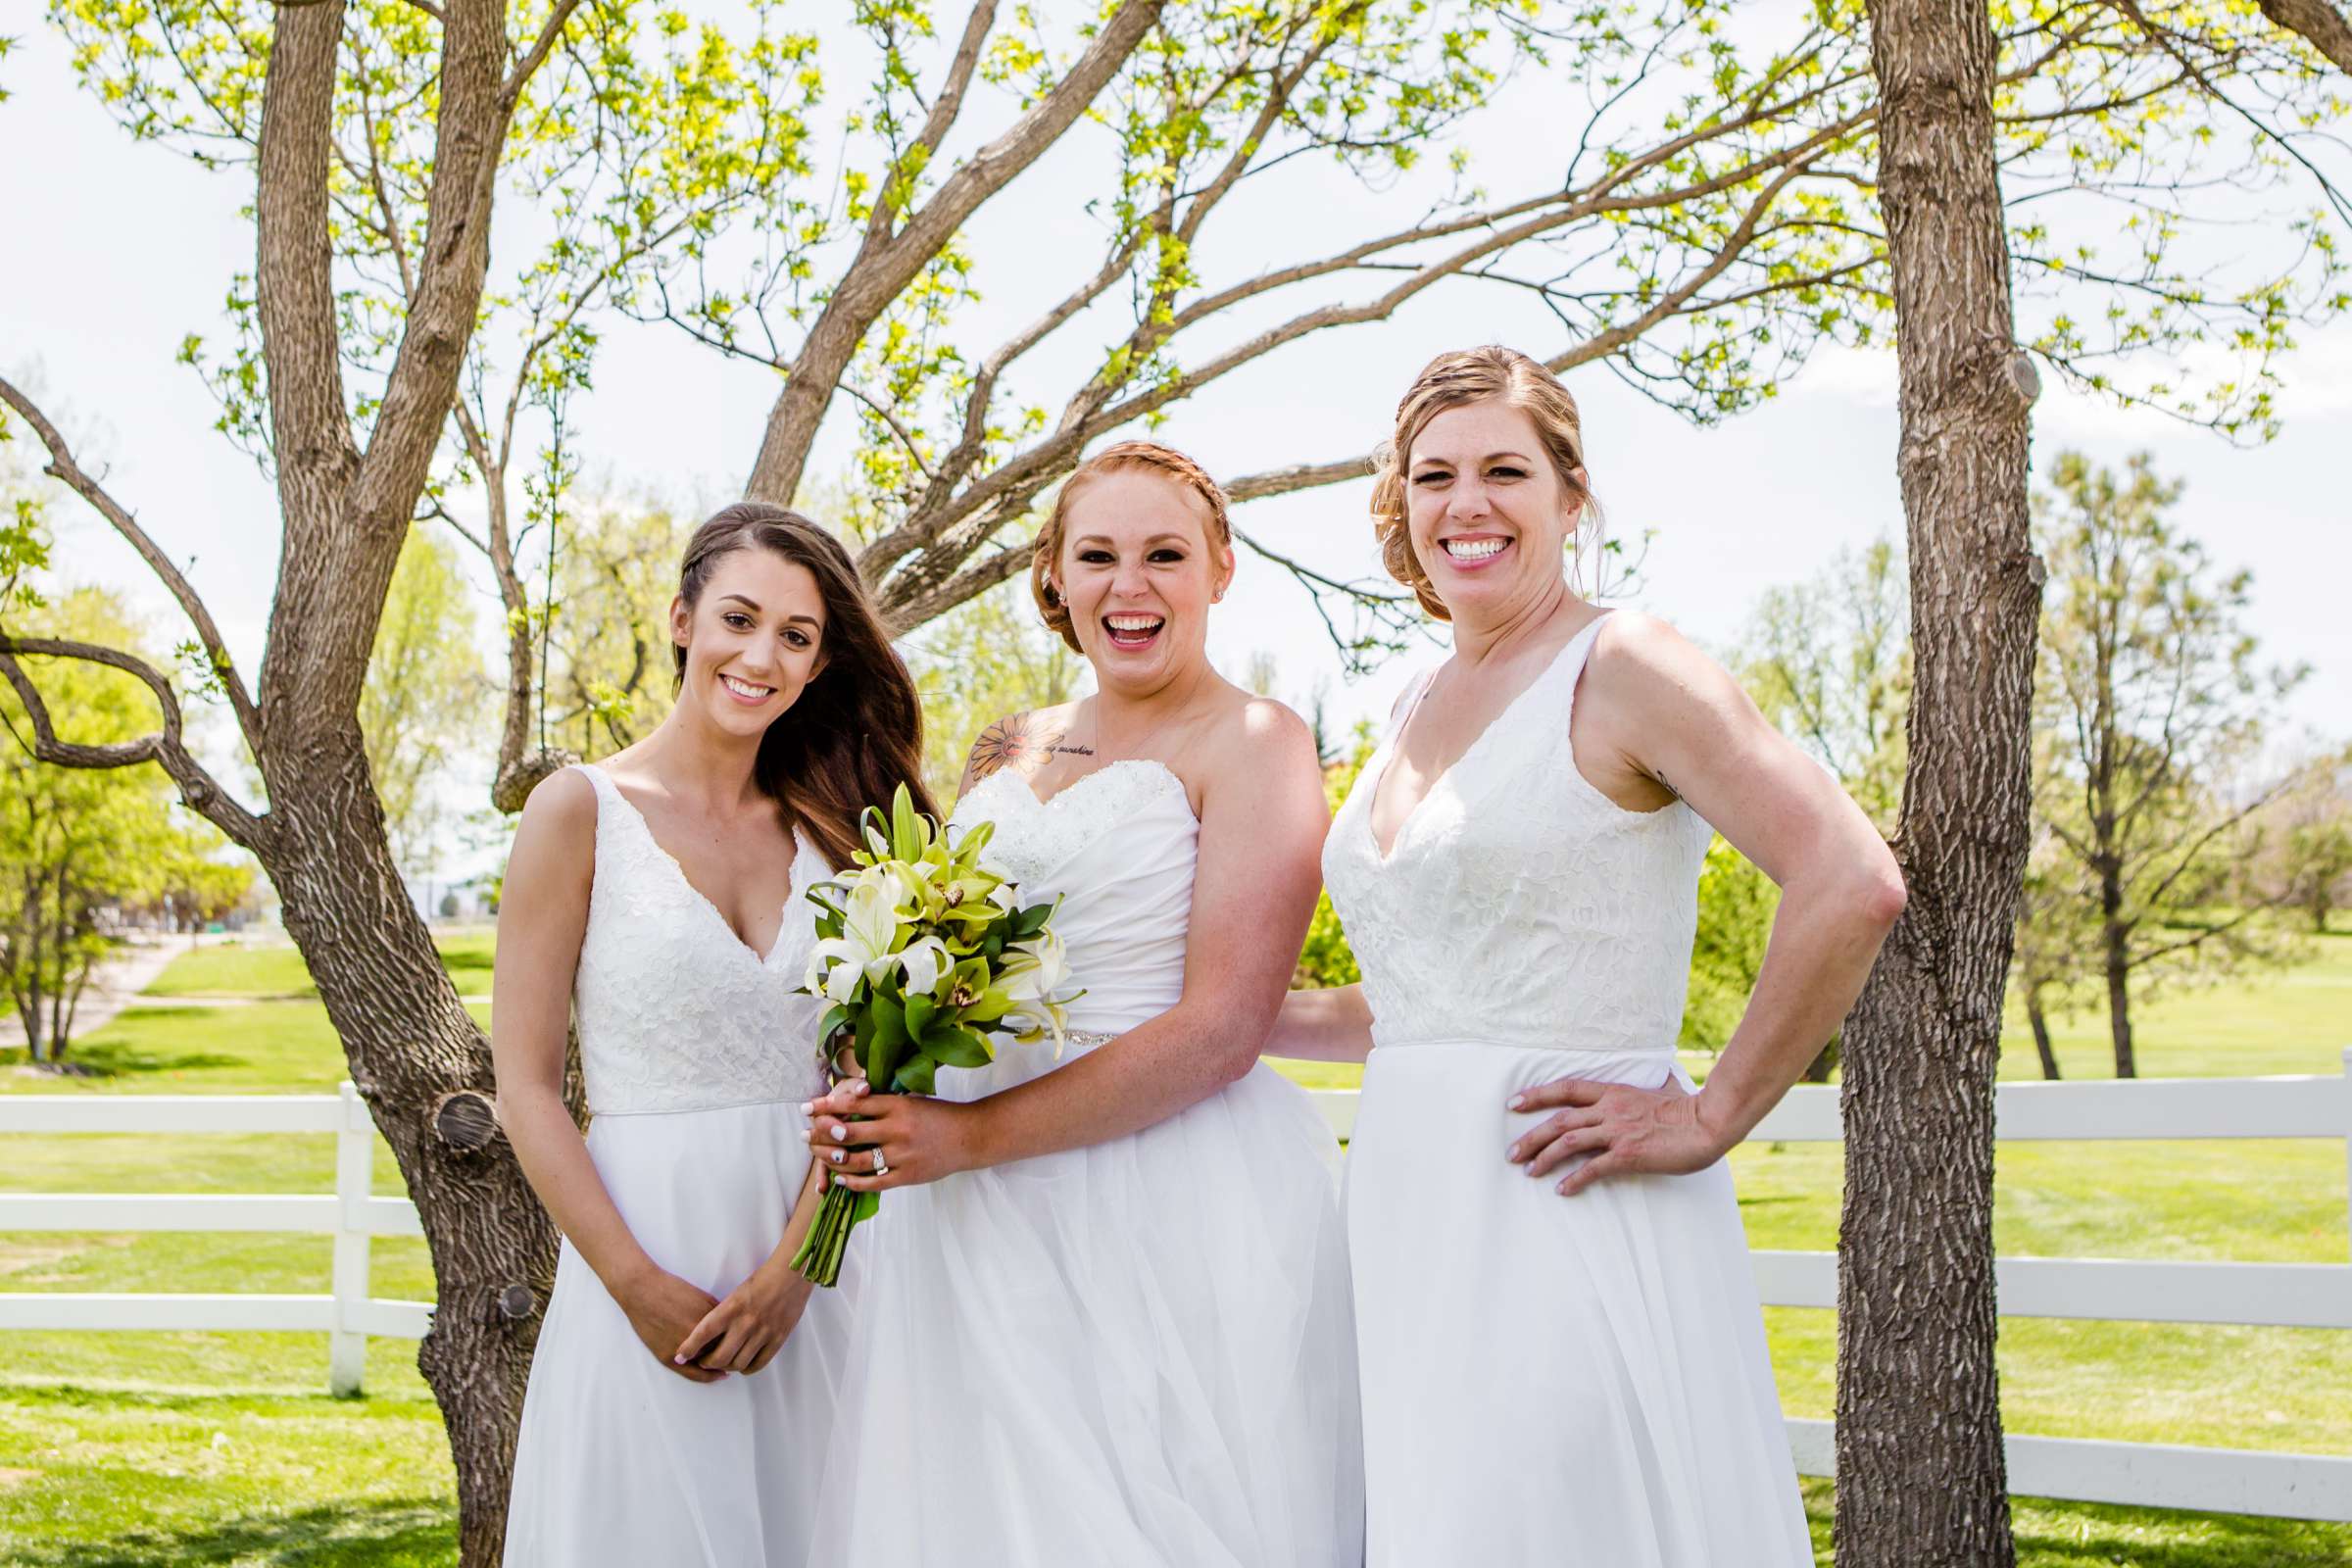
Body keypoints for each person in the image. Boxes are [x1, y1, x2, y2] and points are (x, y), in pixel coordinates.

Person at [1266, 346, 1907, 1565]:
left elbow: (1852, 878)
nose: (1468, 503)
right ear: (1398, 506)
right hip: (1409, 1217)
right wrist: (1218, 1017)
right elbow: (1426, 996)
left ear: (1571, 493)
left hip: (1561, 1208)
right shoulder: (1409, 696)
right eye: (1434, 475)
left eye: (1505, 469)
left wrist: (1712, 1111)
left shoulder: (1627, 665)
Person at [802, 441, 1363, 1565]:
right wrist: (879, 1060)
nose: (1131, 585)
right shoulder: (1010, 743)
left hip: (1159, 1193)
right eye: (1097, 554)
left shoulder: (1256, 741)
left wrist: (968, 1135)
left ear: (1221, 569)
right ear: (1053, 574)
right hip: (964, 1210)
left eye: (1165, 554)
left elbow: (1222, 1028)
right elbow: (945, 944)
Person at [495, 504, 932, 1566]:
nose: (761, 655)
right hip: (644, 1250)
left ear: (822, 664)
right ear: (684, 618)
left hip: (820, 1271)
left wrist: (798, 1268)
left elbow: (869, 1072)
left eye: (796, 636)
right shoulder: (578, 809)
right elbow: (526, 1087)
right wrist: (635, 1286)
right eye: (739, 618)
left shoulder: (842, 828)